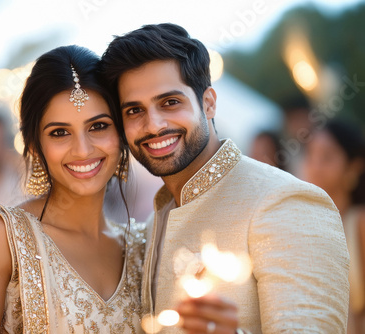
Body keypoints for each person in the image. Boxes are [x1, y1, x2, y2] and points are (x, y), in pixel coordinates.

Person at [100, 23, 349, 333]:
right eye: (134, 110)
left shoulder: (286, 202)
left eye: (170, 102)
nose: (154, 125)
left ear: (208, 103)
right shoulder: (155, 223)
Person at [0, 45, 149, 333]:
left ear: (122, 133)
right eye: (60, 133)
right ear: (35, 147)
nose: (83, 149)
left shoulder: (144, 249)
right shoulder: (1, 235)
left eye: (99, 126)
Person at [301, 119, 365, 334]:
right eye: (310, 155)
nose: (315, 166)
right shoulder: (298, 224)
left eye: (327, 157)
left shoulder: (359, 224)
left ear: (354, 166)